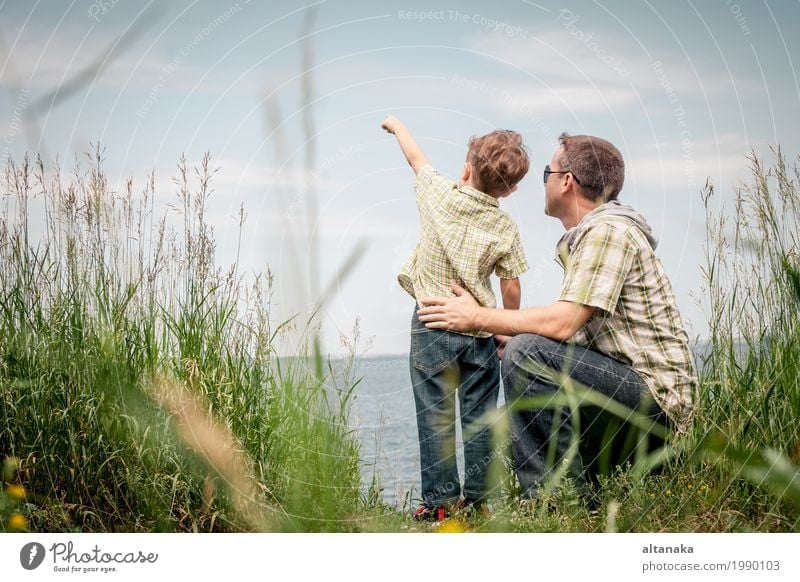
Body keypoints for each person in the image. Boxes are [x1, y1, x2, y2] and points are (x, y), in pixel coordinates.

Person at [417, 132, 698, 499]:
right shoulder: (595, 235)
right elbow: (580, 335)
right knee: (524, 346)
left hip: (657, 410)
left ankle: (554, 502)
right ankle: (584, 489)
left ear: (566, 182)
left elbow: (562, 324)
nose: (542, 182)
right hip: (633, 400)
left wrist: (477, 317)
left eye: (546, 173)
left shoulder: (609, 232)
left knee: (526, 353)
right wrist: (506, 331)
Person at [381, 115, 530, 519]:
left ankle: (441, 506)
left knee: (435, 413)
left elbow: (416, 159)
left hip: (431, 321)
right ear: (511, 190)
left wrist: (397, 125)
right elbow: (511, 282)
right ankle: (480, 503)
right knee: (481, 415)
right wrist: (503, 327)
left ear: (466, 168)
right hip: (479, 326)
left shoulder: (440, 195)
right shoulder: (504, 224)